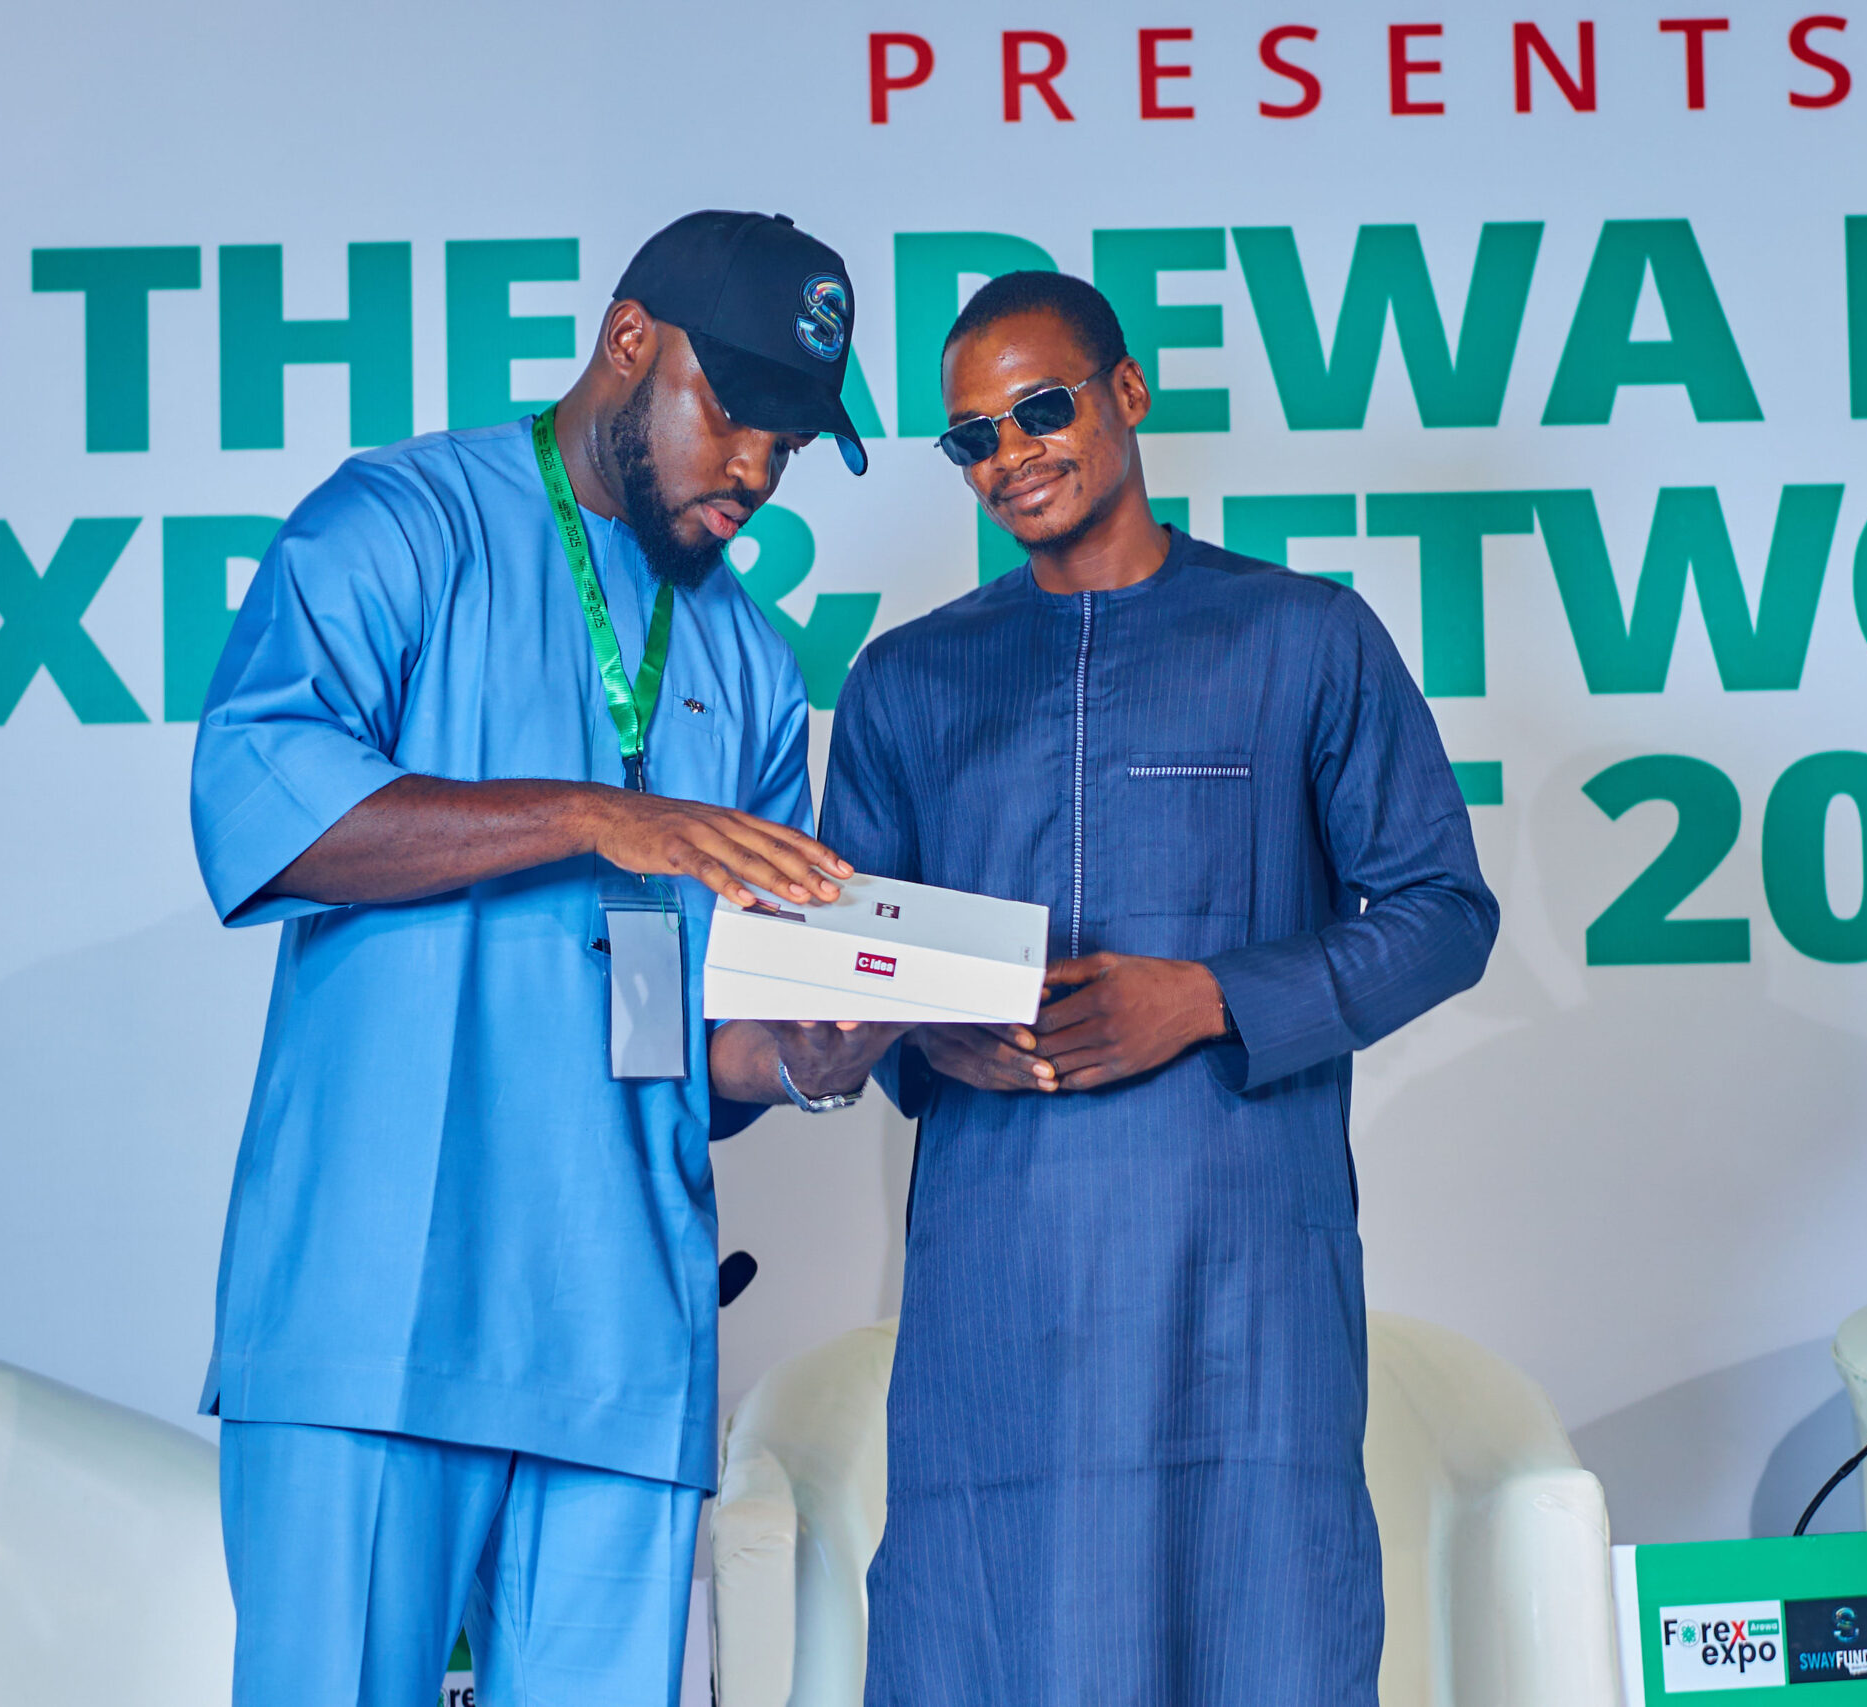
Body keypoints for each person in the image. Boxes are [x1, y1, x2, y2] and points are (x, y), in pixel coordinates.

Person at [188, 210, 902, 1707]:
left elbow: (690, 1037)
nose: (755, 468)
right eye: (734, 413)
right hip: (377, 1316)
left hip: (621, 1341)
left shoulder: (747, 659)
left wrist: (800, 1058)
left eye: (787, 442)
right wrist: (596, 814)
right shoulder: (401, 523)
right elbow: (263, 814)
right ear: (629, 342)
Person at [821, 271, 1501, 1706]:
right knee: (990, 1639)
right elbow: (854, 968)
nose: (1012, 457)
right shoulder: (909, 682)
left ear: (1127, 393)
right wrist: (933, 1040)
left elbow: (1444, 914)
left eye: (1041, 410)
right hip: (1002, 1277)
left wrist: (1206, 999)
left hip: (1238, 1275)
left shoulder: (1303, 636)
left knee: (1260, 1629)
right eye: (974, 439)